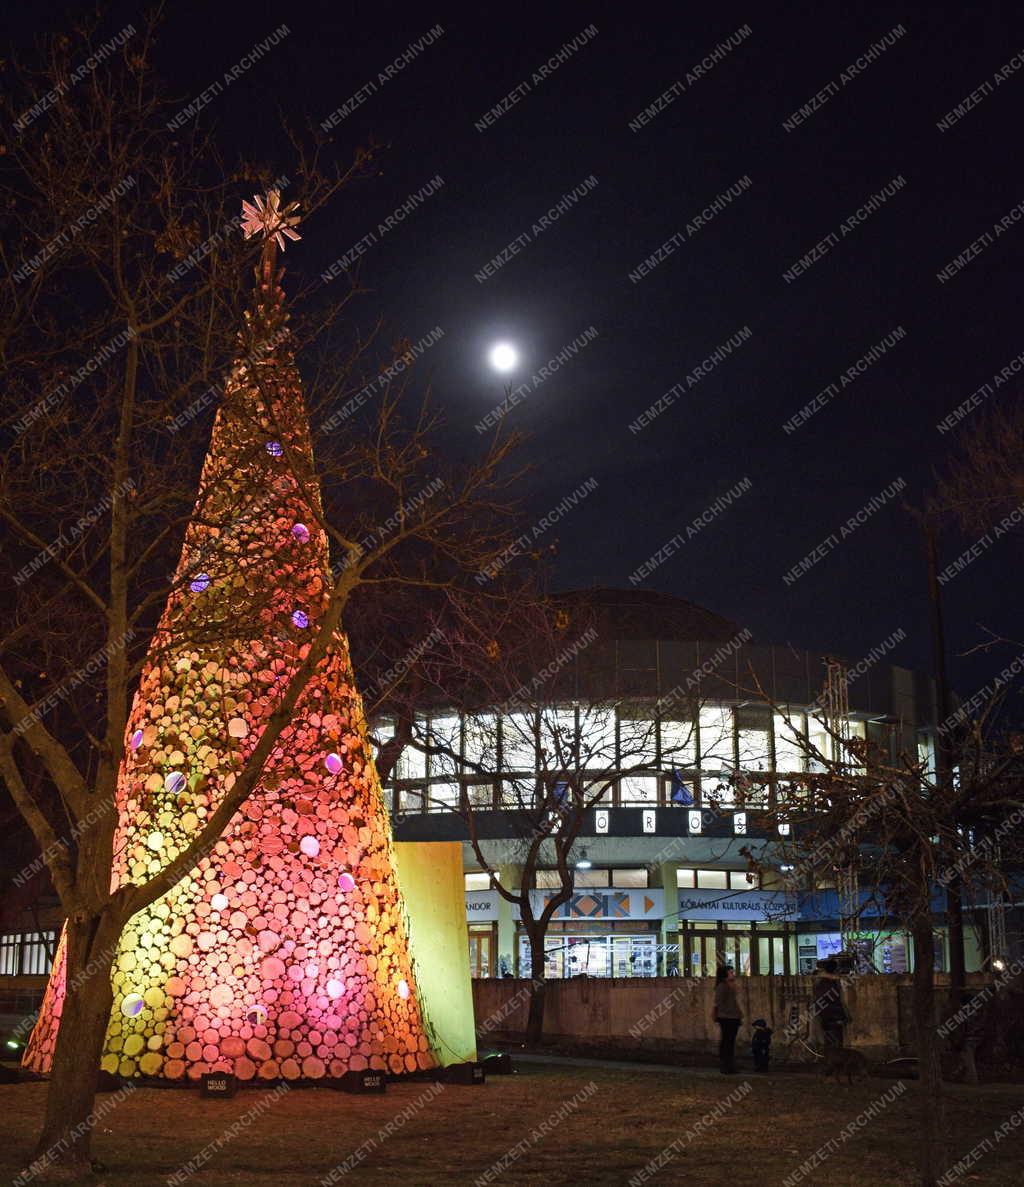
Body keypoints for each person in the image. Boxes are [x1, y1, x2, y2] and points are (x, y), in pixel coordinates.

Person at [713, 965, 742, 1073]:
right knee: (727, 1042)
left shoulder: (728, 986)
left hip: (731, 1017)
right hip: (727, 1017)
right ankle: (726, 1065)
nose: (732, 974)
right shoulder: (722, 986)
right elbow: (720, 1003)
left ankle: (728, 1065)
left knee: (729, 1042)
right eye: (730, 972)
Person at [813, 958, 848, 1050]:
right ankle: (837, 1055)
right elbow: (835, 1001)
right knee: (836, 1038)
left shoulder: (820, 981)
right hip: (832, 1014)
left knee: (828, 1037)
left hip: (823, 1013)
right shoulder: (832, 982)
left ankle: (830, 1055)